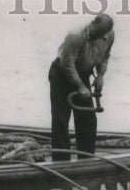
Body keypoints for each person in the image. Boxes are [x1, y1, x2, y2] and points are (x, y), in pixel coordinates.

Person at [48, 13, 114, 161]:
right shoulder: (75, 36)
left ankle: (86, 159)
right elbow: (67, 64)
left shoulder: (109, 36)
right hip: (61, 76)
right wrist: (80, 86)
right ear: (92, 23)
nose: (96, 36)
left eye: (100, 35)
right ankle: (60, 162)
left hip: (82, 74)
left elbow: (105, 56)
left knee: (88, 120)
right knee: (61, 121)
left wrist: (100, 76)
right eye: (95, 32)